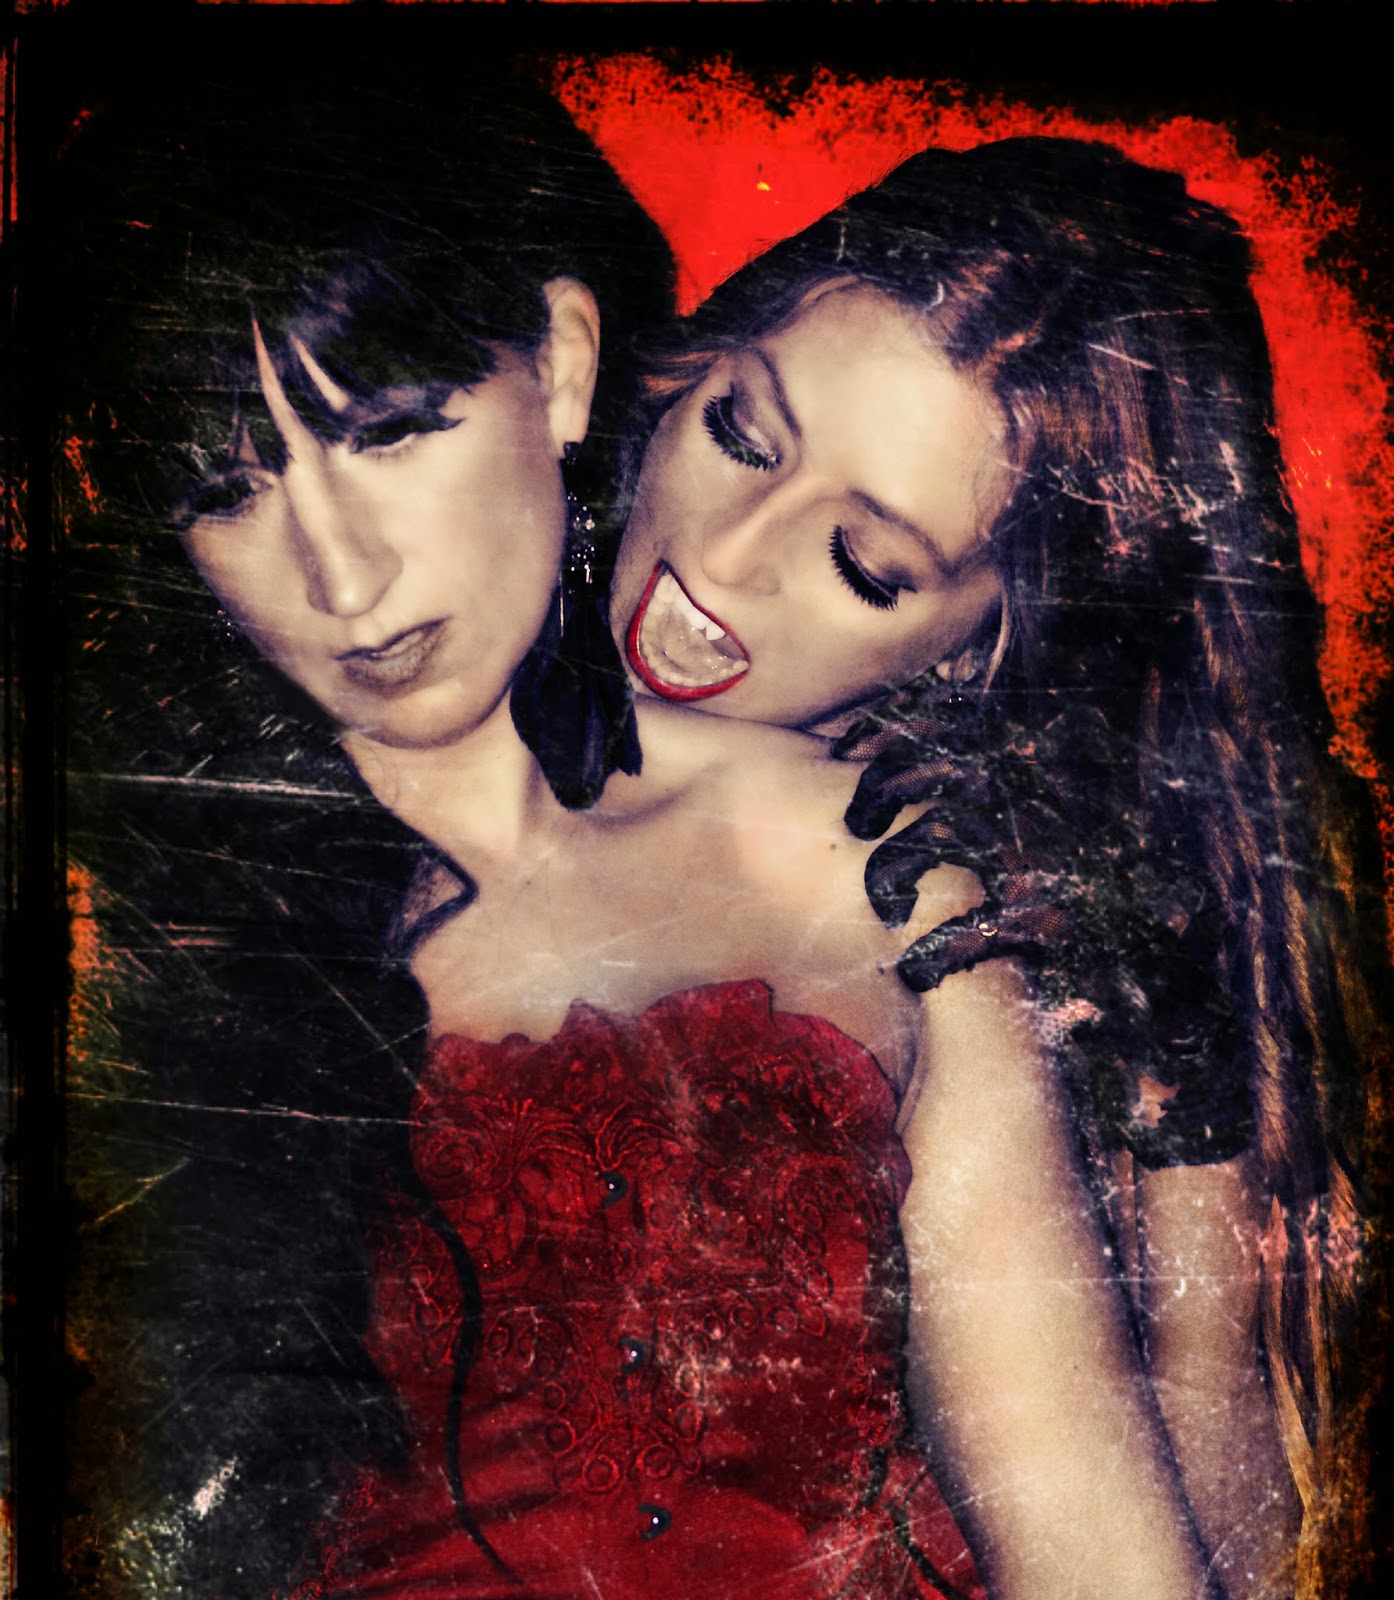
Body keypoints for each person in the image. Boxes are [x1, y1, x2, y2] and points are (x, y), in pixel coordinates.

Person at [57, 80, 1223, 1600]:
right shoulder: (114, 928)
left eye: (391, 433)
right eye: (230, 491)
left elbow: (1107, 1558)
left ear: (563, 363)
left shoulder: (874, 871)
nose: (340, 579)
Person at [608, 136, 1389, 1600]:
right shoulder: (430, 646)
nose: (725, 557)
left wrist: (1183, 1112)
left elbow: (1226, 1553)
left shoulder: (976, 918)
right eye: (742, 435)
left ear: (986, 641)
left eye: (864, 564)